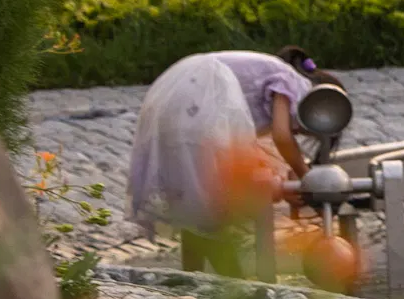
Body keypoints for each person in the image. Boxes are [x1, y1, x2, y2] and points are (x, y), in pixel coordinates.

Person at [129, 44, 338, 269]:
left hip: (177, 92)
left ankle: (195, 280)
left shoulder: (272, 76)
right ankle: (232, 280)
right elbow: (282, 137)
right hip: (199, 97)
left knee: (195, 203)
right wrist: (307, 179)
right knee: (211, 207)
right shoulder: (294, 82)